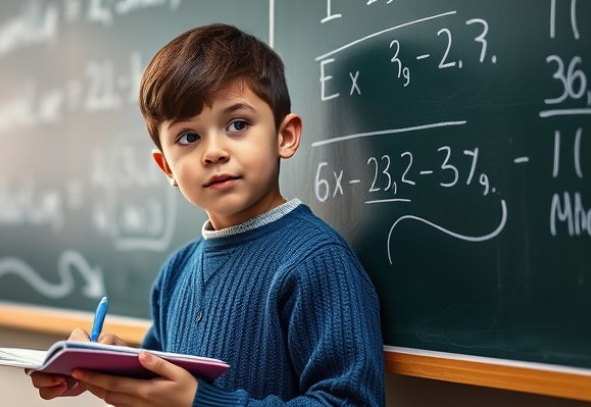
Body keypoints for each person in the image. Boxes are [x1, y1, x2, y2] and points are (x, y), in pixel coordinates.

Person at [29, 23, 385, 406]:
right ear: (167, 168)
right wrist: (107, 368)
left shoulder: (316, 262)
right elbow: (161, 389)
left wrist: (201, 402)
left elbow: (351, 401)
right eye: (188, 137)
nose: (213, 152)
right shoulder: (176, 273)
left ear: (285, 136)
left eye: (238, 124)